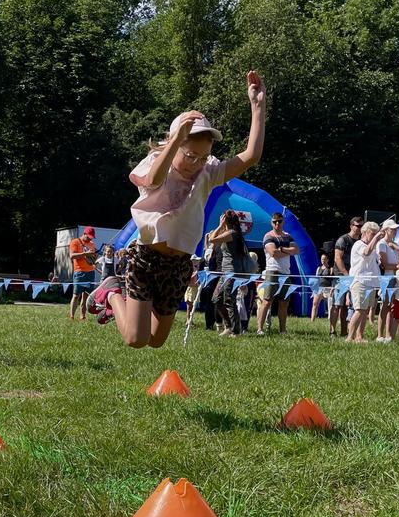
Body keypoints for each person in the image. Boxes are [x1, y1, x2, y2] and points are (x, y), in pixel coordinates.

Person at [88, 71, 266, 348]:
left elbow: (251, 156)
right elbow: (154, 181)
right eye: (190, 155)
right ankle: (112, 291)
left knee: (156, 341)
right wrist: (174, 141)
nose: (196, 163)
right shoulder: (156, 163)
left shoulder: (208, 174)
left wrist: (257, 106)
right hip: (146, 259)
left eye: (203, 157)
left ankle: (117, 295)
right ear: (174, 144)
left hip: (178, 265)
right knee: (136, 339)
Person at [208, 209, 253, 337]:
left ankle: (235, 330)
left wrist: (220, 225)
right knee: (216, 299)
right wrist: (222, 227)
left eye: (222, 218)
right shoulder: (231, 233)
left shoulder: (232, 234)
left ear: (225, 220)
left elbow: (212, 239)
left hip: (232, 273)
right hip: (225, 273)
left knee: (229, 300)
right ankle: (228, 326)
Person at [257, 211, 299, 336]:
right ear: (271, 223)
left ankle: (282, 330)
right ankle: (259, 329)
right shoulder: (268, 236)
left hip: (286, 273)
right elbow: (273, 253)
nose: (277, 224)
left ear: (283, 222)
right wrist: (287, 251)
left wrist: (281, 249)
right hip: (272, 271)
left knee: (284, 302)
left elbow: (296, 250)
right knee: (267, 301)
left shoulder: (288, 236)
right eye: (274, 222)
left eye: (279, 221)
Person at [346, 222, 385, 343]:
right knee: (359, 310)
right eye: (372, 233)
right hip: (360, 281)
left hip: (370, 283)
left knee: (365, 311)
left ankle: (359, 337)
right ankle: (349, 337)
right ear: (365, 232)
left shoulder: (372, 247)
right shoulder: (359, 244)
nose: (374, 236)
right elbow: (366, 252)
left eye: (375, 233)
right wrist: (376, 238)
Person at [331, 216, 362, 337]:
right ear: (351, 226)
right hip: (341, 276)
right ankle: (332, 331)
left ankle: (344, 331)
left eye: (361, 226)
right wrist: (345, 274)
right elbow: (337, 258)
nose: (360, 228)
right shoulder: (343, 240)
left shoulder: (360, 242)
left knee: (347, 306)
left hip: (354, 276)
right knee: (337, 304)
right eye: (358, 226)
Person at [376, 219, 399, 342]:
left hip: (395, 277)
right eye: (393, 229)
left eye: (396, 229)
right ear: (386, 230)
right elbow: (385, 265)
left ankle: (388, 335)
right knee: (385, 306)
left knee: (392, 307)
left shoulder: (394, 244)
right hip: (386, 278)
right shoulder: (381, 244)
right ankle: (380, 335)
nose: (395, 231)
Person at [68, 226, 97, 320]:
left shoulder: (92, 244)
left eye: (91, 237)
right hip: (79, 272)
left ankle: (83, 317)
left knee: (86, 297)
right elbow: (72, 256)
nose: (90, 238)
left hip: (90, 272)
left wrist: (94, 257)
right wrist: (85, 254)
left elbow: (93, 257)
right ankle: (71, 317)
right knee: (76, 295)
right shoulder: (75, 242)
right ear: (84, 233)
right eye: (88, 236)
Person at [310, 253, 335, 322]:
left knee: (330, 305)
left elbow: (333, 280)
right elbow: (316, 279)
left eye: (324, 259)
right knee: (315, 303)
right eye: (322, 259)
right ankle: (312, 320)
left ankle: (330, 320)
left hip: (328, 288)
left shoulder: (331, 269)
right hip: (319, 288)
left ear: (327, 260)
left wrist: (332, 289)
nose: (323, 260)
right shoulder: (318, 268)